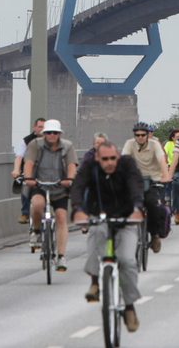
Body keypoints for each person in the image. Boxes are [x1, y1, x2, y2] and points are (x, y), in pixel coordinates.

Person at [71, 141, 145, 332]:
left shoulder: (127, 165)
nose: (110, 162)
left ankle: (129, 306)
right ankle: (95, 282)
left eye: (113, 158)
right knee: (95, 234)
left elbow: (136, 185)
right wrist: (78, 210)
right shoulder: (90, 167)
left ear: (118, 156)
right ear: (97, 158)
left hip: (126, 218)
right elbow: (78, 186)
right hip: (100, 216)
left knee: (127, 260)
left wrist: (137, 208)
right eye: (105, 159)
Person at [23, 119, 78, 271]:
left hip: (60, 186)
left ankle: (60, 256)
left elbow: (72, 165)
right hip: (40, 184)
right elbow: (28, 163)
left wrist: (69, 179)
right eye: (48, 132)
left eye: (55, 132)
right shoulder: (35, 145)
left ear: (59, 134)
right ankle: (36, 231)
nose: (52, 135)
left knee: (61, 217)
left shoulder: (67, 146)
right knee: (38, 205)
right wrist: (28, 179)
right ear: (44, 133)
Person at [122, 122, 171, 253]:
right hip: (136, 180)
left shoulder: (154, 145)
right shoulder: (129, 144)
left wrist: (165, 175)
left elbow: (161, 160)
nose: (140, 137)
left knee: (152, 204)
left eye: (143, 135)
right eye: (137, 135)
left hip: (154, 179)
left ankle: (154, 235)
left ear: (148, 135)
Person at [12, 117, 45, 225]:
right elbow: (19, 156)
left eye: (44, 127)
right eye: (39, 126)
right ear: (34, 127)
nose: (42, 129)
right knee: (25, 186)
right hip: (29, 171)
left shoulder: (51, 140)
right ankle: (25, 213)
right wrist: (16, 169)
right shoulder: (27, 140)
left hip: (45, 171)